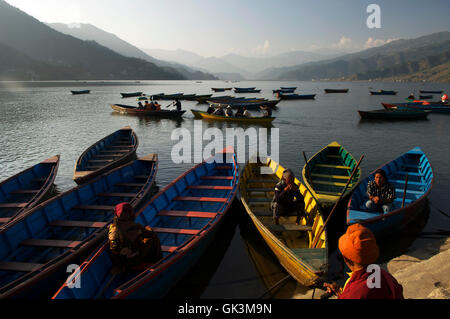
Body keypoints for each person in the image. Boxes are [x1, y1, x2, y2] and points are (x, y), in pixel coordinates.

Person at [323, 223, 404, 299]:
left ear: (346, 259)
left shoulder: (356, 292)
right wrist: (340, 292)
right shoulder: (384, 276)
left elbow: (359, 294)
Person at [108, 202, 162, 268]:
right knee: (152, 239)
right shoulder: (132, 226)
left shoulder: (115, 228)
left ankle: (153, 260)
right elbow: (152, 234)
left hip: (126, 258)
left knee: (148, 234)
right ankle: (158, 262)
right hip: (129, 260)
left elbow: (114, 247)